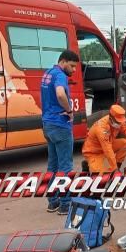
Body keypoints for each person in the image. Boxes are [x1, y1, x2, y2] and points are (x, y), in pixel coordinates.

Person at [41, 50, 80, 214]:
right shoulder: (60, 75)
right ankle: (65, 204)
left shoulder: (47, 74)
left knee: (52, 166)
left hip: (48, 124)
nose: (74, 70)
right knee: (65, 167)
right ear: (63, 62)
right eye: (72, 66)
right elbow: (60, 93)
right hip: (60, 125)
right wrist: (69, 110)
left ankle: (53, 202)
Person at [82, 105, 126, 172]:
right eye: (118, 122)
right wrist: (114, 168)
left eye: (120, 122)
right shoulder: (101, 129)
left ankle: (117, 168)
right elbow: (108, 150)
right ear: (110, 118)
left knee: (125, 143)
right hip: (94, 152)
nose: (120, 124)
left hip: (106, 146)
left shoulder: (119, 122)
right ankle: (87, 163)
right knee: (104, 174)